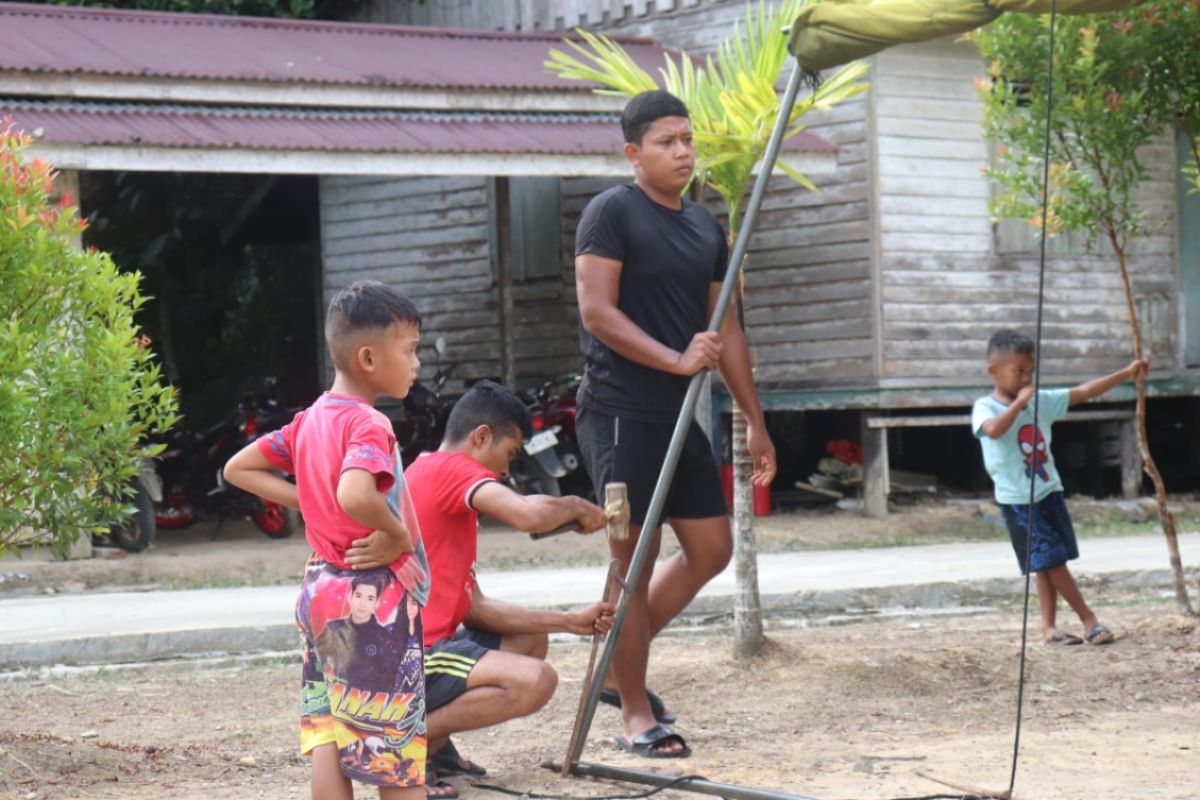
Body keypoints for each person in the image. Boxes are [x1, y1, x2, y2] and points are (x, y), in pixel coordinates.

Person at [572, 90, 777, 758]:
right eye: (666, 142)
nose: (682, 152)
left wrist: (755, 419)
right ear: (634, 152)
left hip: (680, 412)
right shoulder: (612, 212)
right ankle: (635, 708)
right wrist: (675, 359)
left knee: (712, 549)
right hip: (620, 413)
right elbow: (596, 312)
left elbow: (728, 327)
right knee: (634, 560)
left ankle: (614, 666)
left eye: (687, 140)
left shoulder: (705, 227)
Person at [348, 380, 613, 799]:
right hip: (409, 656)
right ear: (481, 437)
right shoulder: (452, 469)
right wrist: (577, 505)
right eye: (507, 454)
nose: (506, 471)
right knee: (535, 681)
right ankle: (398, 739)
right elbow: (527, 515)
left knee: (529, 638)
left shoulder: (430, 473)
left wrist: (568, 621)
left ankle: (435, 749)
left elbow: (473, 606)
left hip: (416, 647)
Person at [224, 280, 431, 800]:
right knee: (391, 745)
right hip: (371, 595)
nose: (416, 364)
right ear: (368, 357)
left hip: (319, 589)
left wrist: (311, 502)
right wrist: (397, 533)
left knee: (329, 728)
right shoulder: (369, 422)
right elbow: (357, 494)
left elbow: (237, 468)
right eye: (410, 351)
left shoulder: (308, 421)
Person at [972, 328, 1147, 647]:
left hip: (1048, 490)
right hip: (1018, 501)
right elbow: (995, 431)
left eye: (1031, 371)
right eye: (1018, 371)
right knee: (1052, 561)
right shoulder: (985, 407)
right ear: (993, 371)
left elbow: (1083, 392)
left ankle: (1049, 628)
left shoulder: (1042, 402)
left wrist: (1126, 372)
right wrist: (1019, 405)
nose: (1026, 378)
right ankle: (1089, 620)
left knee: (1046, 563)